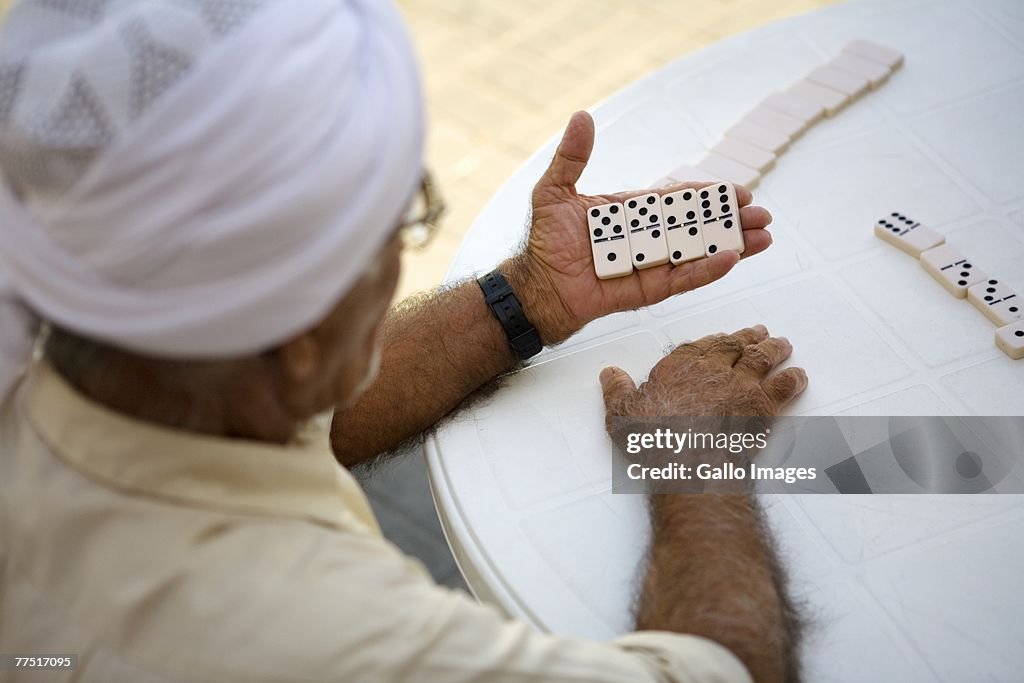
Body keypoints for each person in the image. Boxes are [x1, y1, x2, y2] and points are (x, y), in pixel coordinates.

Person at [0, 1, 807, 681]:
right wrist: (692, 460)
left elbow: (277, 402)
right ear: (299, 341)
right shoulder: (328, 638)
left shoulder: (88, 320)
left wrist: (528, 296)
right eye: (404, 219)